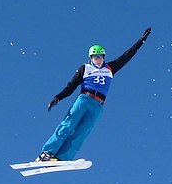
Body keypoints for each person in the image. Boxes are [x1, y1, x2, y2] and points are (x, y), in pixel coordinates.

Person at [36, 27, 152, 162]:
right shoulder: (85, 68)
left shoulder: (110, 68)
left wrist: (141, 41)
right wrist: (57, 98)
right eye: (95, 57)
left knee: (82, 132)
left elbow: (127, 56)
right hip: (84, 99)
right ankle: (47, 153)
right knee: (68, 125)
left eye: (101, 56)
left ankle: (61, 159)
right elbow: (71, 86)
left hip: (98, 105)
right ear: (90, 58)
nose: (98, 59)